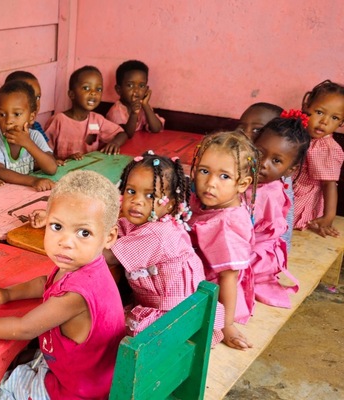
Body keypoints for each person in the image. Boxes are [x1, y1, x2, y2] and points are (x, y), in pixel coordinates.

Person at [0, 170, 125, 399]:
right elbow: (46, 282)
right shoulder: (86, 266)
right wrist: (8, 294)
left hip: (75, 392)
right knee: (18, 361)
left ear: (109, 237)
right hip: (91, 374)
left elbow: (23, 329)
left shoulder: (77, 294)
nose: (65, 242)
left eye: (84, 232)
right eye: (57, 227)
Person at [104, 152, 211, 338]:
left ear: (170, 205)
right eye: (131, 191)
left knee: (105, 328)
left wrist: (71, 234)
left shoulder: (156, 234)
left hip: (172, 318)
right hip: (178, 308)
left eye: (150, 195)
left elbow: (106, 256)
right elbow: (113, 227)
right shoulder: (146, 221)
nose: (137, 200)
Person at [189, 131, 258, 351]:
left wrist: (226, 325)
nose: (210, 183)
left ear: (243, 184)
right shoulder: (212, 202)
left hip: (217, 294)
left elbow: (229, 277)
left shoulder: (226, 225)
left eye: (224, 176)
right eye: (204, 171)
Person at [248, 112, 310, 309]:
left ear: (291, 170)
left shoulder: (272, 193)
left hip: (254, 254)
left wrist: (281, 260)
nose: (263, 163)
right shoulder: (243, 175)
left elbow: (284, 227)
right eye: (259, 152)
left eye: (276, 161)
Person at [236, 102, 296, 250]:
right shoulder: (235, 157)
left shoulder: (276, 179)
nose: (245, 134)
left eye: (257, 130)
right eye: (242, 127)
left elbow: (283, 225)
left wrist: (279, 257)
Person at [0, 80, 58, 190]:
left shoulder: (35, 137)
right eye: (2, 114)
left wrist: (28, 143)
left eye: (16, 114)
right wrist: (33, 181)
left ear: (31, 117)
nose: (8, 121)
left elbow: (51, 168)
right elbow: (0, 172)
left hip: (20, 192)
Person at [293, 80, 344, 237]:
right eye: (320, 112)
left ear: (341, 122)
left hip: (303, 197)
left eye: (334, 118)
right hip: (284, 187)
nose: (324, 121)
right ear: (306, 106)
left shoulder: (325, 148)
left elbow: (329, 184)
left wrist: (328, 217)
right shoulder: (295, 132)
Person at [45, 66, 127, 164]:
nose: (93, 93)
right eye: (86, 88)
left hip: (90, 170)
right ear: (72, 94)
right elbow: (44, 152)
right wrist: (64, 159)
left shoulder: (97, 120)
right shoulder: (58, 121)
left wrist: (115, 143)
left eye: (99, 89)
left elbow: (122, 134)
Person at [105, 60, 165, 137]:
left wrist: (145, 105)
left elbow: (156, 128)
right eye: (130, 85)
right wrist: (134, 114)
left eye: (141, 86)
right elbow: (127, 134)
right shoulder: (116, 112)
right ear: (119, 90)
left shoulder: (143, 107)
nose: (136, 90)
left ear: (146, 90)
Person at [4, 71, 49, 142]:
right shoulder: (6, 133)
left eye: (37, 97)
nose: (36, 104)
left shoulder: (36, 126)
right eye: (29, 98)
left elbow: (48, 152)